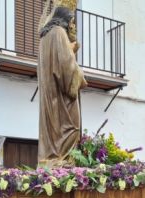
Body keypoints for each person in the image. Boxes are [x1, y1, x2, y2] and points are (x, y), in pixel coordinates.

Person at [36, 4, 88, 167]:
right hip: (61, 97)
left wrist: (70, 47)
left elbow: (55, 61)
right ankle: (63, 161)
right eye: (72, 21)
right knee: (71, 127)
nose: (73, 26)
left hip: (50, 93)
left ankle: (52, 159)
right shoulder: (58, 32)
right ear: (65, 20)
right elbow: (66, 67)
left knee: (52, 130)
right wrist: (80, 77)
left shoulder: (45, 37)